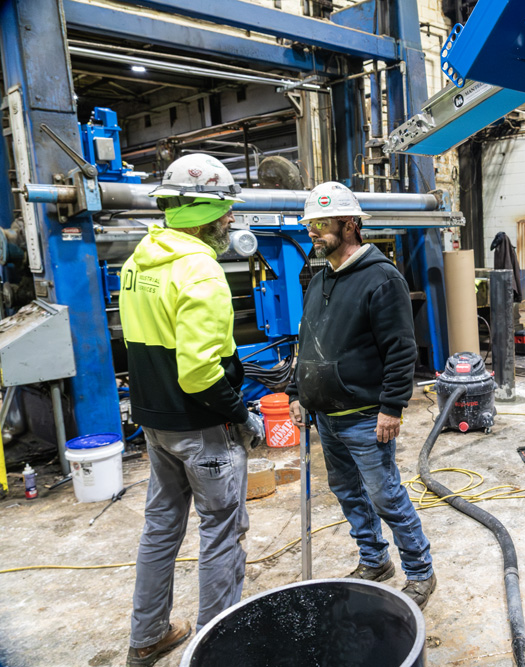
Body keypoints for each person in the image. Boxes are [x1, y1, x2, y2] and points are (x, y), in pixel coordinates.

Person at [120, 153, 265, 667]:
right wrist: (241, 415)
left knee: (160, 528)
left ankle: (147, 635)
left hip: (155, 423)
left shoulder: (139, 261)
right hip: (203, 429)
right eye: (225, 210)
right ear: (203, 211)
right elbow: (200, 372)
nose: (230, 219)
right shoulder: (201, 270)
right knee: (222, 530)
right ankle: (217, 648)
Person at [286, 181, 436, 609]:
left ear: (350, 223)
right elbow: (307, 339)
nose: (312, 231)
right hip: (326, 416)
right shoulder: (319, 281)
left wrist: (392, 407)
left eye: (321, 223)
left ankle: (421, 571)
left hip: (366, 416)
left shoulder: (381, 278)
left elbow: (401, 349)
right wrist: (299, 391)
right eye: (309, 224)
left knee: (385, 494)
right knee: (348, 493)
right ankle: (374, 560)